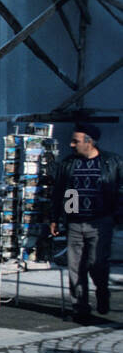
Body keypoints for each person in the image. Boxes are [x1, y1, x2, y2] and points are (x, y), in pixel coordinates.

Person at [51, 122, 122, 321]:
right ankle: (80, 307)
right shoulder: (68, 164)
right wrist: (57, 218)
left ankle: (101, 291)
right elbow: (60, 193)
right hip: (75, 222)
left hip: (100, 222)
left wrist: (117, 214)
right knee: (75, 267)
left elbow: (121, 190)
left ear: (89, 142)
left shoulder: (111, 162)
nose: (72, 145)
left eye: (76, 141)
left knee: (96, 263)